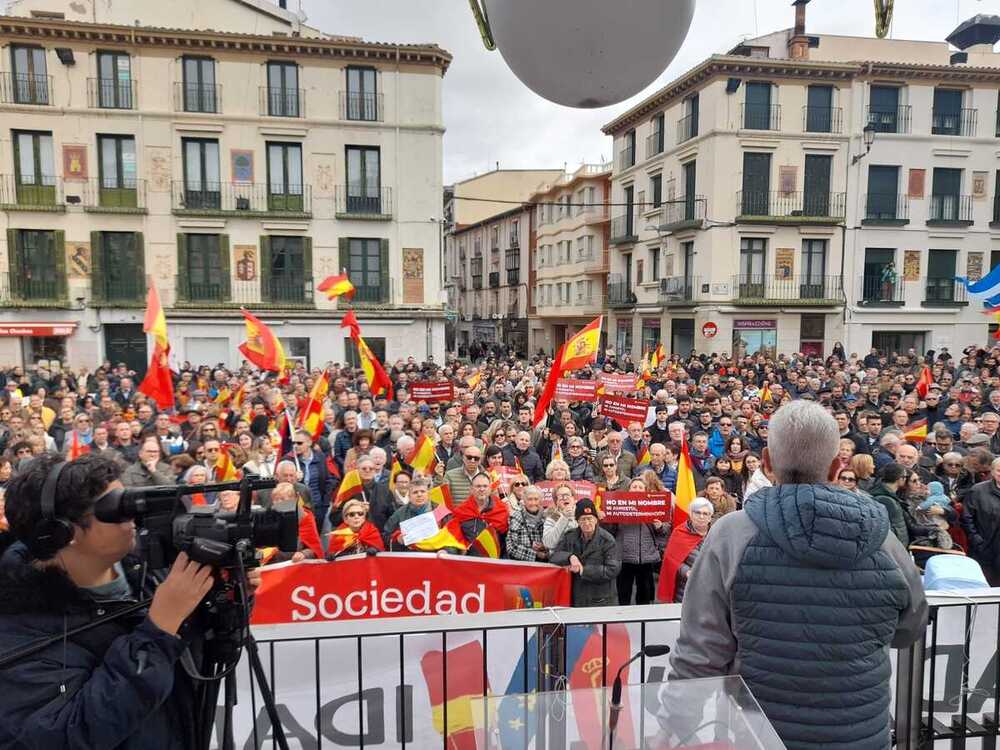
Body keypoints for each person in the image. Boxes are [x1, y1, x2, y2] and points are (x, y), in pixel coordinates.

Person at [667, 400, 927, 750]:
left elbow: (700, 651)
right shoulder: (884, 539)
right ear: (837, 466)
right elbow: (909, 627)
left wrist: (675, 727)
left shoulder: (731, 534)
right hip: (860, 735)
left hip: (758, 736)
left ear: (769, 463)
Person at [0, 453, 256, 748]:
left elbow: (201, 652)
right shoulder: (16, 626)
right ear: (63, 532)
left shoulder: (149, 571)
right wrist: (158, 630)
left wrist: (228, 598)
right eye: (117, 509)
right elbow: (66, 735)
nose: (133, 517)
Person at [605, 477, 668, 605]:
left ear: (645, 490)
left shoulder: (654, 505)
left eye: (640, 487)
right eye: (634, 487)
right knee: (624, 592)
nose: (637, 489)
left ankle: (644, 621)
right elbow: (610, 530)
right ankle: (623, 618)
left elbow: (665, 530)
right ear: (629, 490)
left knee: (644, 594)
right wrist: (609, 519)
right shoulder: (619, 505)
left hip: (646, 557)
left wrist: (660, 526)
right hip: (624, 557)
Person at [549, 499, 621, 607]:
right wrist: (570, 557)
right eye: (583, 519)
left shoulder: (607, 540)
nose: (587, 523)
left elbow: (612, 569)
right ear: (577, 521)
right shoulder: (570, 536)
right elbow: (554, 555)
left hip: (601, 599)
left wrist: (583, 570)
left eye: (590, 518)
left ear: (596, 520)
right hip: (577, 597)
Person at [656, 496, 713, 603]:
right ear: (691, 514)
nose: (701, 516)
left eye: (705, 514)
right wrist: (686, 572)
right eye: (697, 512)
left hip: (710, 588)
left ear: (710, 517)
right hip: (685, 589)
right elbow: (670, 560)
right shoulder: (679, 532)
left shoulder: (717, 533)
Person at [505, 485, 547, 561]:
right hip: (523, 566)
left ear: (540, 501)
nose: (533, 503)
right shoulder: (516, 517)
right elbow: (511, 547)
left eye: (536, 499)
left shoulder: (547, 517)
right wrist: (536, 555)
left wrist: (545, 547)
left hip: (546, 565)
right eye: (530, 499)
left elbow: (555, 544)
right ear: (524, 501)